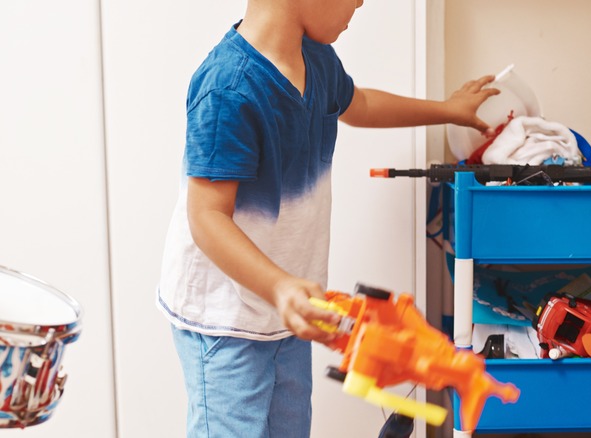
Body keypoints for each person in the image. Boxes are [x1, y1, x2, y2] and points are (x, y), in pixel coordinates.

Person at [156, 0, 499, 436]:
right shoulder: (229, 88)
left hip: (292, 309)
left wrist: (447, 109)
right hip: (228, 318)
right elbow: (206, 217)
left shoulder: (315, 58)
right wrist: (278, 287)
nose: (360, 2)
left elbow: (364, 105)